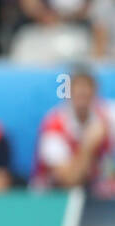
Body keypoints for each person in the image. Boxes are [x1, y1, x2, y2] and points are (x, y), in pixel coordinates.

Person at [32, 66, 115, 196]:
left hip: (96, 198)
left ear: (95, 91)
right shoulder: (54, 126)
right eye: (77, 88)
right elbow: (69, 181)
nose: (82, 93)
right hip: (52, 198)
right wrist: (88, 146)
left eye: (87, 88)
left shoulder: (108, 116)